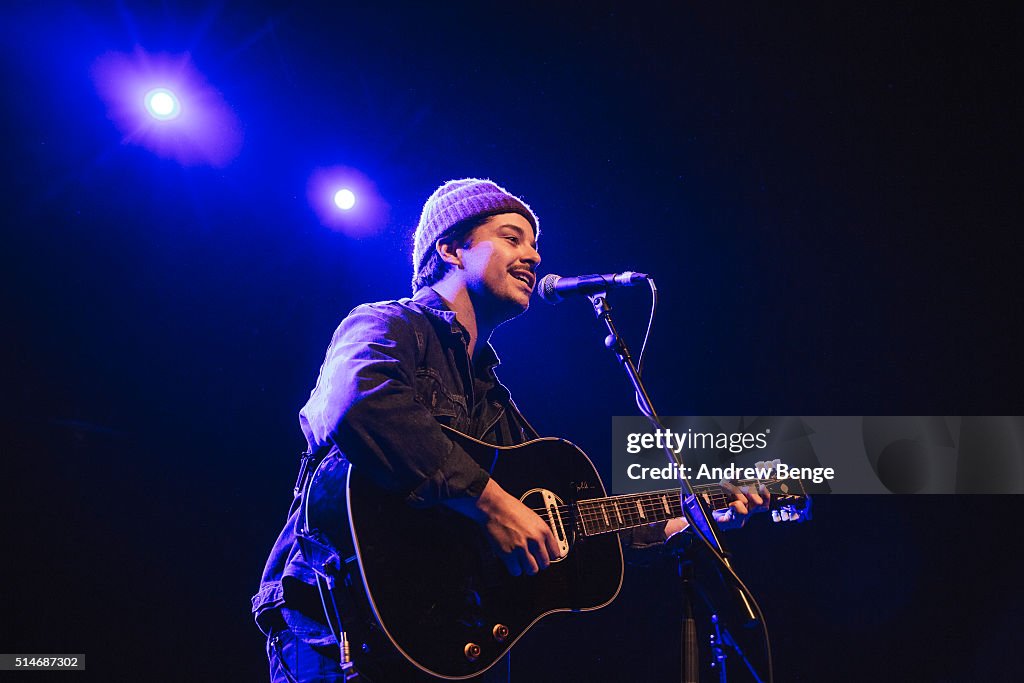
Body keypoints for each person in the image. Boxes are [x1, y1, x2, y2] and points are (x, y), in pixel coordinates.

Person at [251, 178, 769, 682]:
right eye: (511, 237)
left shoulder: (496, 403)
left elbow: (561, 519)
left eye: (535, 243)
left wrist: (684, 520)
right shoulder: (387, 324)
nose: (535, 256)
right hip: (337, 620)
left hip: (442, 636)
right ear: (452, 250)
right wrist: (490, 502)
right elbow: (356, 403)